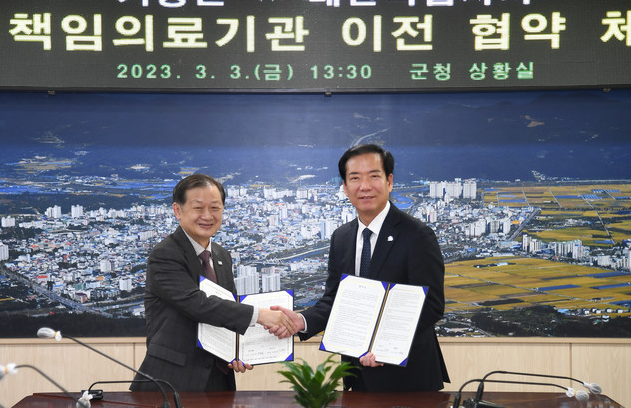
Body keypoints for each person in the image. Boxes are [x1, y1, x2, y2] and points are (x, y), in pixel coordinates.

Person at [272, 144, 449, 391]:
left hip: (409, 376)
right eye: (355, 178)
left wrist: (383, 344)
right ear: (345, 188)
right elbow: (334, 299)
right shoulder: (342, 237)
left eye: (374, 176)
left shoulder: (417, 235)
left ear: (389, 182)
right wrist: (302, 320)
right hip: (357, 374)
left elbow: (431, 305)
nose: (365, 186)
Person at [130, 174, 296, 392]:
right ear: (178, 211)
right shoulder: (165, 253)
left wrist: (238, 352)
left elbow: (228, 308)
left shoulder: (221, 255)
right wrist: (260, 315)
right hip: (172, 380)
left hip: (218, 379)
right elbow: (198, 304)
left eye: (215, 208)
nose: (207, 216)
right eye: (198, 208)